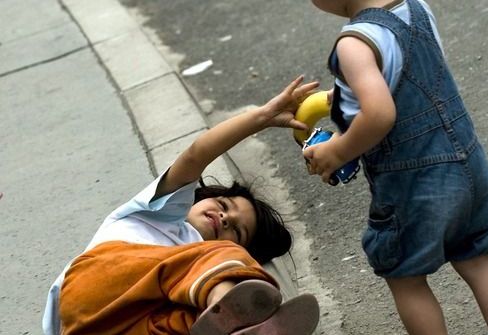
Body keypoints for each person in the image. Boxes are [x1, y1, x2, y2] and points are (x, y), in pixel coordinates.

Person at [303, 0, 488, 334]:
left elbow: (379, 114)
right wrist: (343, 97)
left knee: (405, 277)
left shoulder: (353, 44)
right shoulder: (416, 8)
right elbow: (411, 75)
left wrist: (337, 151)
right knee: (478, 258)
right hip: (468, 162)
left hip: (413, 180)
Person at [42, 76, 321, 335]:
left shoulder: (191, 279)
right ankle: (235, 308)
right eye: (224, 204)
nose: (224, 218)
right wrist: (261, 118)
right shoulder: (163, 215)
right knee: (217, 257)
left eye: (236, 230)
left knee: (187, 323)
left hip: (111, 328)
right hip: (91, 289)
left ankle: (240, 327)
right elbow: (195, 155)